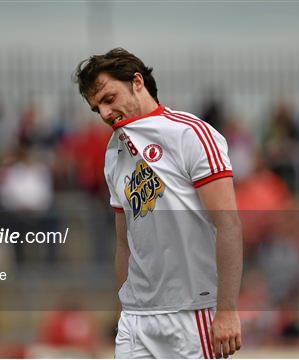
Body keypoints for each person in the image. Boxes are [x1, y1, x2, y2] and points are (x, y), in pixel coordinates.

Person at [73, 48, 243, 358]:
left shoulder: (190, 134)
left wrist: (227, 310)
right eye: (97, 108)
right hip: (137, 320)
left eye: (109, 99)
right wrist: (126, 306)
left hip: (192, 315)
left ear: (137, 81)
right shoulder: (114, 154)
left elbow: (228, 223)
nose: (105, 114)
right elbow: (124, 243)